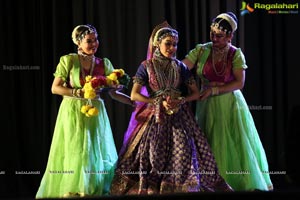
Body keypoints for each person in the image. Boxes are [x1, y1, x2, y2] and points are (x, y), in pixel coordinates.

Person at [109, 22, 233, 195]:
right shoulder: (146, 66)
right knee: (150, 154)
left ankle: (178, 186)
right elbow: (134, 95)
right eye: (168, 43)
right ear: (157, 44)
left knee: (184, 151)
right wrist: (156, 102)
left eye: (175, 44)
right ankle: (150, 185)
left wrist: (181, 100)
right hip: (154, 115)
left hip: (179, 116)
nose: (172, 48)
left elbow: (196, 93)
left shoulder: (180, 66)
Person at [36, 24, 133, 198]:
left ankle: (92, 188)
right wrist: (78, 92)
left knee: (94, 149)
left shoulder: (104, 63)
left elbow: (113, 93)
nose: (94, 44)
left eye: (96, 40)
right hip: (73, 110)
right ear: (79, 43)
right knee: (76, 148)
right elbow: (55, 88)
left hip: (96, 111)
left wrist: (133, 102)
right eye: (89, 41)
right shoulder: (69, 61)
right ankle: (74, 189)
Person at [182, 12, 273, 191]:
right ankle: (209, 182)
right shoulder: (201, 50)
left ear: (230, 36)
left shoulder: (235, 54)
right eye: (212, 34)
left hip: (229, 102)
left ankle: (233, 181)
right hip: (206, 105)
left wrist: (214, 90)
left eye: (219, 36)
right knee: (207, 139)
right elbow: (182, 67)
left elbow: (239, 83)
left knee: (232, 140)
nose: (214, 39)